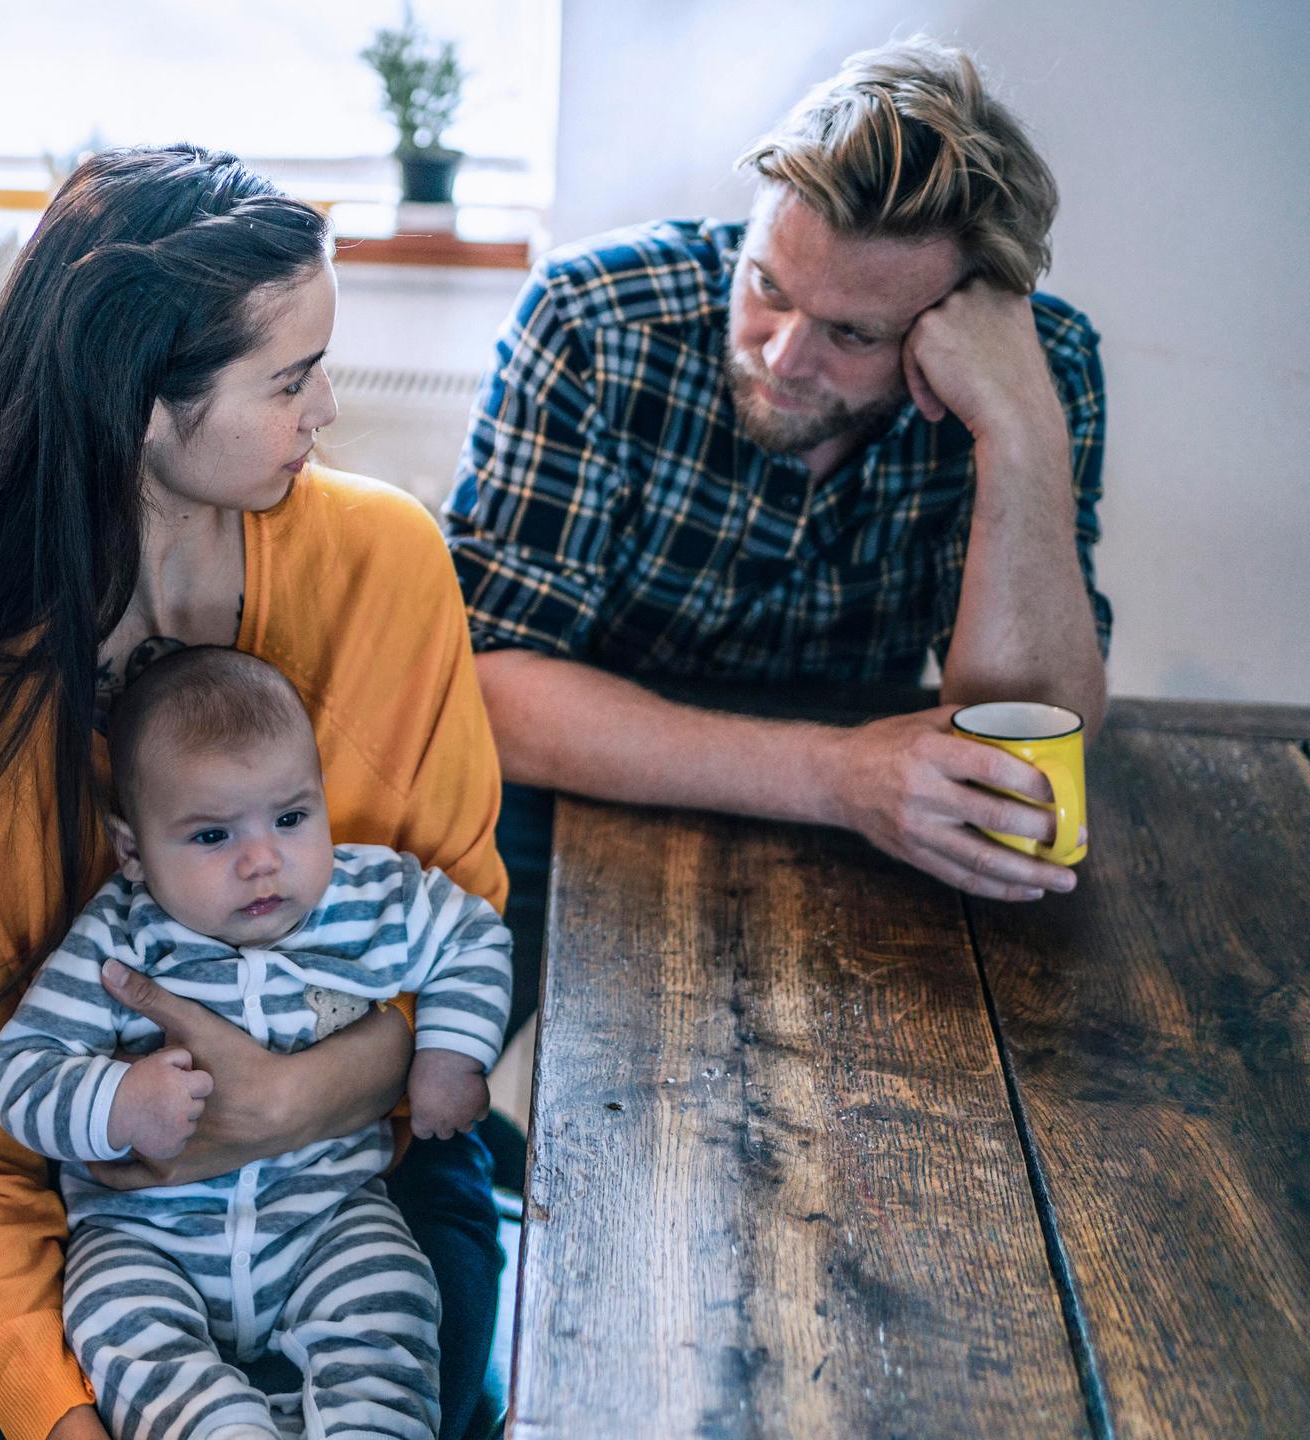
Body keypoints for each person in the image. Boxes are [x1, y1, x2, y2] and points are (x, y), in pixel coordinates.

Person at [0, 144, 509, 1440]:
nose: (326, 409)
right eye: (291, 380)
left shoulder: (390, 567)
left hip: (368, 1188)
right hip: (99, 1239)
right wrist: (66, 1421)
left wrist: (289, 1101)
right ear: (143, 408)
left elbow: (464, 946)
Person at [443, 37, 1112, 1038]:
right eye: (768, 287)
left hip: (876, 821)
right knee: (423, 1053)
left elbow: (1029, 739)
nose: (784, 358)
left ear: (961, 319)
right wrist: (834, 777)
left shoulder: (1036, 370)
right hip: (582, 781)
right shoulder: (595, 319)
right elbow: (489, 693)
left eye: (854, 335)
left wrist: (1017, 436)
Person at [0, 646, 512, 1440]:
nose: (263, 860)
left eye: (292, 818)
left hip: (327, 1218)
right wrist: (118, 1102)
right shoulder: (120, 941)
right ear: (133, 851)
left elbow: (473, 936)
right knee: (113, 1320)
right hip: (147, 1240)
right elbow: (20, 1075)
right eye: (211, 836)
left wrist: (449, 1053)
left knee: (393, 1299)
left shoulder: (366, 897)